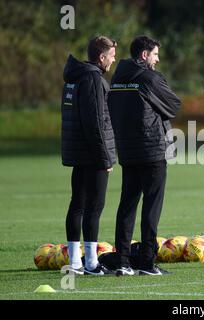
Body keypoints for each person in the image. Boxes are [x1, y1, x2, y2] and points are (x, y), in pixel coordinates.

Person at [108, 35, 181, 276]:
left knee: (127, 204)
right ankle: (147, 262)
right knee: (152, 205)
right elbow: (173, 105)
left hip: (127, 150)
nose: (157, 59)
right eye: (155, 55)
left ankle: (122, 261)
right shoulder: (150, 77)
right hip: (151, 150)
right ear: (144, 55)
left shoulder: (117, 78)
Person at [61, 36, 117, 275]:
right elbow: (95, 122)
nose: (113, 60)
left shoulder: (75, 78)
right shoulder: (93, 79)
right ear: (102, 57)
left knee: (78, 205)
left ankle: (74, 262)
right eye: (112, 55)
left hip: (78, 152)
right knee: (94, 206)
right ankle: (92, 263)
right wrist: (104, 158)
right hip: (93, 154)